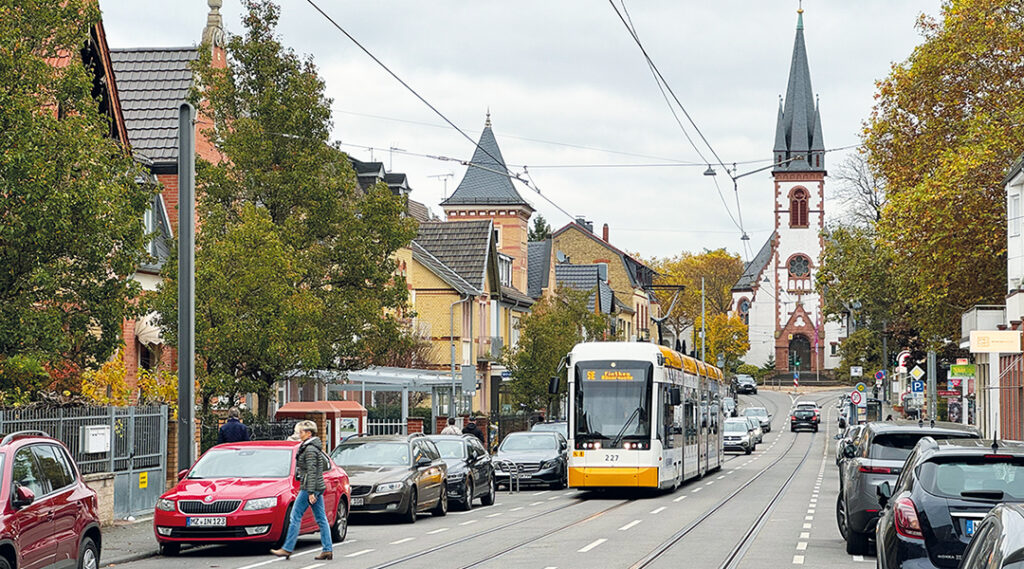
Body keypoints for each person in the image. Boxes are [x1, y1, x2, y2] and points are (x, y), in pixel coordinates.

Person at [270, 423, 333, 560]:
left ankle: (287, 548)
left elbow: (311, 471)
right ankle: (327, 549)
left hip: (309, 487)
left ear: (309, 433)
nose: (299, 434)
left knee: (295, 516)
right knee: (322, 519)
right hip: (316, 487)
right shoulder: (314, 447)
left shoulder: (310, 449)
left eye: (301, 432)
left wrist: (310, 492)